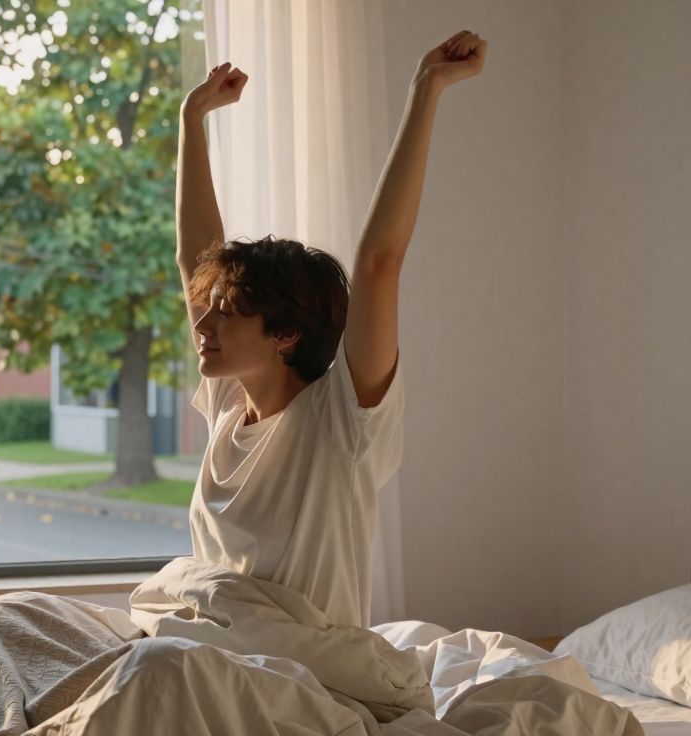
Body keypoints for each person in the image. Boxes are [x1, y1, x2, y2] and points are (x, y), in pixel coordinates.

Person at [174, 30, 488, 630]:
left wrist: (428, 87)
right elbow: (196, 257)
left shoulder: (341, 421)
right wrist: (193, 118)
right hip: (213, 659)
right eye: (208, 309)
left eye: (228, 311)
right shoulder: (227, 403)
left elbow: (378, 260)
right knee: (16, 617)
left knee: (147, 670)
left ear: (285, 334)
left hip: (303, 683)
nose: (203, 324)